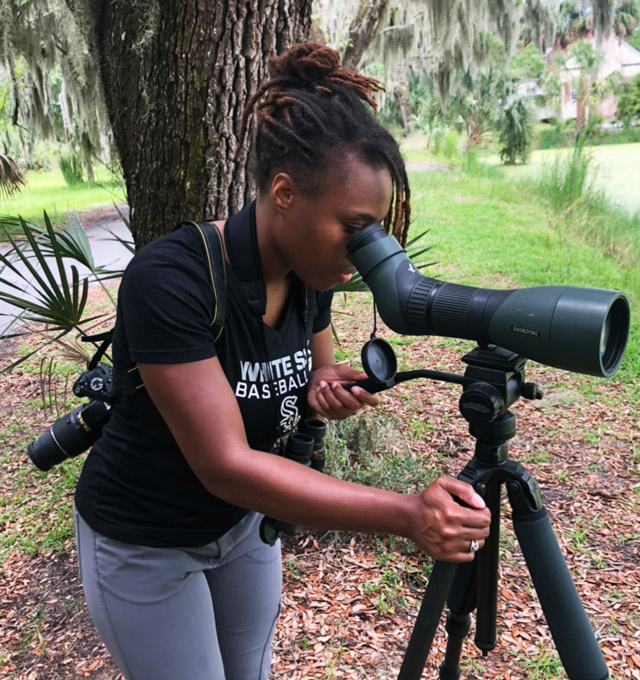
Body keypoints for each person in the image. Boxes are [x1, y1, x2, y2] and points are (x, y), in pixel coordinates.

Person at [73, 42, 491, 680]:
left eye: (376, 229)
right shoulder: (172, 278)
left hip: (243, 530)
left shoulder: (310, 272)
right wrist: (407, 513)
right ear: (284, 192)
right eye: (355, 227)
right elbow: (226, 466)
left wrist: (327, 384)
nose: (367, 249)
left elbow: (316, 369)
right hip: (145, 538)